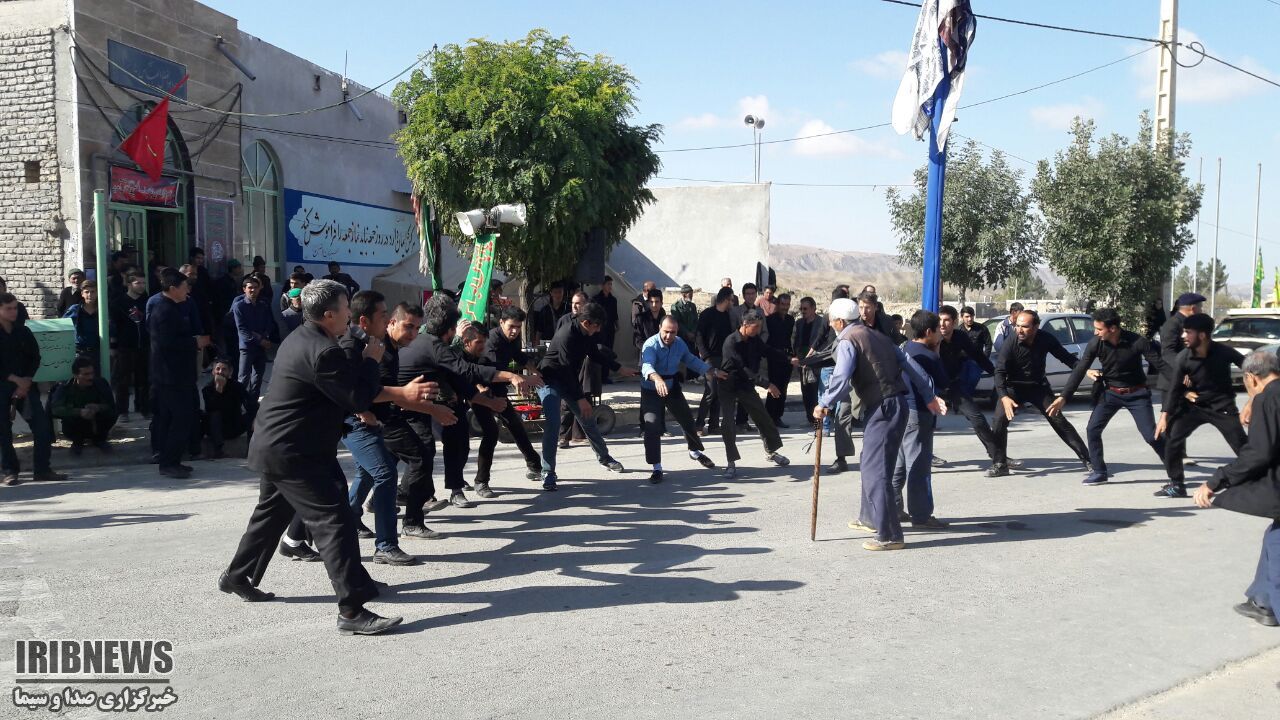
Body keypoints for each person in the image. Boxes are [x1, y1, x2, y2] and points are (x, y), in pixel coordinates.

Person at [220, 279, 437, 635]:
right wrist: (371, 361)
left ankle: (237, 576)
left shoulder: (304, 337)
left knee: (270, 516)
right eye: (345, 307)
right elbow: (356, 398)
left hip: (281, 445)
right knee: (335, 523)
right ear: (328, 314)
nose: (350, 313)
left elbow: (342, 382)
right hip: (293, 452)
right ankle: (351, 610)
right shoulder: (322, 350)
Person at [816, 298, 943, 551]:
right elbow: (911, 366)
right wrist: (929, 396)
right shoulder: (879, 336)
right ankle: (869, 518)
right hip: (894, 405)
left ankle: (890, 534)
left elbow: (841, 377)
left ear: (839, 322)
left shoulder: (847, 340)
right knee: (870, 462)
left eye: (831, 322)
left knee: (877, 471)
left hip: (884, 407)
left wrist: (824, 403)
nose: (830, 326)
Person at [398, 295, 532, 508]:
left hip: (436, 403)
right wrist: (509, 376)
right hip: (407, 405)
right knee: (421, 452)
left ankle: (442, 491)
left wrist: (489, 402)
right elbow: (467, 370)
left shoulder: (434, 343)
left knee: (454, 445)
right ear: (449, 328)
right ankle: (410, 498)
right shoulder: (434, 345)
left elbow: (460, 381)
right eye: (455, 328)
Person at [1192, 350, 1280, 628]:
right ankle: (1263, 602)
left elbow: (1258, 453)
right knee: (1273, 538)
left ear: (1251, 378)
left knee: (1278, 546)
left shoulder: (1268, 399)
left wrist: (1216, 481)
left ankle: (1269, 602)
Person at [338, 290, 425, 566]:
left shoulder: (375, 344)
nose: (387, 320)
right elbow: (350, 389)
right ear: (365, 321)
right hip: (355, 422)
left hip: (370, 419)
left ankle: (302, 536)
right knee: (385, 473)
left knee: (368, 472)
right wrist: (363, 408)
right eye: (384, 315)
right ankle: (386, 545)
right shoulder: (353, 346)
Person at [1050, 308, 1167, 486]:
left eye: (1099, 329)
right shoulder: (1096, 343)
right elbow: (1080, 369)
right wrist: (1064, 397)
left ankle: (1174, 469)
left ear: (1112, 329)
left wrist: (1181, 383)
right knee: (1093, 429)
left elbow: (1161, 365)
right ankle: (1099, 472)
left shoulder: (1137, 341)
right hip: (1110, 393)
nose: (1095, 333)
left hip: (1137, 394)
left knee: (1151, 436)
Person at [536, 301, 637, 489]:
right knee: (554, 423)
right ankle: (547, 471)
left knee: (588, 419)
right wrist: (580, 398)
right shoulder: (567, 334)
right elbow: (566, 370)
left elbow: (595, 354)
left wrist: (619, 368)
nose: (598, 330)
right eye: (597, 326)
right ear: (586, 322)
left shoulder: (586, 333)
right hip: (549, 380)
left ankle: (605, 458)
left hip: (568, 380)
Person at [1153, 313, 1248, 498]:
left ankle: (1261, 479)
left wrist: (1252, 401)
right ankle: (1176, 485)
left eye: (1188, 332)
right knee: (1171, 438)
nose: (1183, 336)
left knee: (1243, 447)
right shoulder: (1183, 357)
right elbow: (1174, 388)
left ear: (1202, 335)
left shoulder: (1224, 352)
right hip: (1194, 407)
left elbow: (1251, 369)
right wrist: (1164, 416)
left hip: (1222, 407)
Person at [988, 310, 1091, 478]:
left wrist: (1085, 370)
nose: (1019, 330)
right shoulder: (1010, 342)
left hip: (1038, 388)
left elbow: (1066, 357)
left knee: (1059, 421)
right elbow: (999, 371)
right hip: (1013, 388)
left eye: (1024, 327)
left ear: (1036, 327)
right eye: (1017, 326)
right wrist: (1004, 397)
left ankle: (1088, 460)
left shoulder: (1046, 338)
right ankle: (1000, 464)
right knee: (998, 420)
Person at [640, 316, 722, 484]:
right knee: (652, 425)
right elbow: (646, 365)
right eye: (666, 332)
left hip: (672, 386)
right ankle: (656, 467)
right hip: (651, 389)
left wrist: (711, 370)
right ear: (659, 328)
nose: (669, 336)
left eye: (673, 332)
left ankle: (695, 451)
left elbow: (690, 360)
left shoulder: (679, 343)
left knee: (687, 420)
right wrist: (657, 379)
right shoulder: (650, 344)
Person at [891, 310, 949, 528]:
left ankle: (894, 509)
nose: (941, 334)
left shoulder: (905, 348)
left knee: (898, 464)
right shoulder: (929, 355)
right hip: (918, 413)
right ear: (928, 332)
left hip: (900, 411)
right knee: (919, 465)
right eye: (938, 330)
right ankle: (921, 515)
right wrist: (938, 352)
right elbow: (943, 382)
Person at [718, 309, 791, 479]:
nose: (758, 330)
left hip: (745, 385)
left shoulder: (754, 339)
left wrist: (788, 359)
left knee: (763, 417)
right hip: (728, 385)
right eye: (756, 327)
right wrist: (767, 384)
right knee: (728, 423)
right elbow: (743, 369)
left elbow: (768, 351)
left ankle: (771, 452)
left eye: (760, 327)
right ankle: (731, 462)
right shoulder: (730, 342)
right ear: (745, 324)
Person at [1, 293, 65, 486]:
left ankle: (43, 469)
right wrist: (14, 380)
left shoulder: (23, 331)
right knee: (3, 431)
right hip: (3, 386)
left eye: (15, 308)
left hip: (26, 387)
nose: (13, 312)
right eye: (8, 309)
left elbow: (34, 357)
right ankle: (10, 471)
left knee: (42, 427)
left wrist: (26, 380)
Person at [933, 305, 1007, 469]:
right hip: (931, 386)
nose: (942, 324)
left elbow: (979, 357)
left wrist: (997, 375)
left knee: (977, 418)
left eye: (946, 320)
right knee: (924, 423)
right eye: (939, 320)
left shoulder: (960, 337)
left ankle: (999, 457)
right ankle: (924, 455)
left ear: (954, 322)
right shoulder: (931, 337)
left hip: (953, 385)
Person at [478, 306, 544, 484]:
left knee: (516, 425)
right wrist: (520, 379)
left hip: (499, 389)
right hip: (480, 391)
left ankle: (535, 466)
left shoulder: (512, 339)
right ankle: (480, 482)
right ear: (501, 323)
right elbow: (493, 372)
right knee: (490, 434)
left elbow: (520, 357)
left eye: (518, 327)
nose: (514, 331)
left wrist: (535, 372)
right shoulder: (492, 340)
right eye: (511, 326)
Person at [148, 268, 200, 479]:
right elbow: (167, 343)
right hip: (170, 376)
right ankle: (168, 462)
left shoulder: (173, 308)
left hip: (175, 374)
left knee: (175, 418)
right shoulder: (164, 311)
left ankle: (173, 460)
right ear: (173, 288)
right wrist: (195, 343)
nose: (187, 290)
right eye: (184, 286)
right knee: (180, 418)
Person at [232, 276, 276, 427]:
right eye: (250, 287)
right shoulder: (239, 306)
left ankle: (252, 407)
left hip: (261, 347)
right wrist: (259, 340)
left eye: (255, 287)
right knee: (243, 378)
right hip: (247, 347)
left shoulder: (263, 304)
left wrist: (266, 337)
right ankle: (237, 406)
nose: (253, 290)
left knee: (257, 378)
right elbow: (242, 329)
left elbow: (269, 323)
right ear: (244, 289)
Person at [51, 356, 118, 454]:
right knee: (69, 419)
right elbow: (55, 409)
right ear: (76, 375)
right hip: (75, 425)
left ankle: (99, 439)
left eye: (92, 373)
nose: (90, 377)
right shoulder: (65, 387)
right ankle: (78, 441)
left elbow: (111, 406)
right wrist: (79, 412)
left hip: (97, 423)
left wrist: (98, 407)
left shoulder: (100, 384)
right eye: (86, 374)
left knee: (111, 414)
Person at [695, 288, 735, 434]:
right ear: (726, 299)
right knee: (710, 391)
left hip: (723, 359)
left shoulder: (727, 316)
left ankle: (714, 425)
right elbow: (699, 336)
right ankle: (698, 425)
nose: (733, 303)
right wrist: (705, 357)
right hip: (709, 359)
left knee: (719, 392)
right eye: (731, 300)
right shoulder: (707, 314)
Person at [110, 272, 150, 420]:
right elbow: (114, 326)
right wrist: (113, 346)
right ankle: (122, 411)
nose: (141, 286)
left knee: (144, 379)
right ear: (129, 284)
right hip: (125, 346)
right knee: (123, 380)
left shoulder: (147, 301)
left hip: (144, 345)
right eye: (138, 283)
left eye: (143, 283)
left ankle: (145, 408)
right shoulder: (119, 303)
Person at [1159, 292, 1206, 391]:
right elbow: (1168, 353)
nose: (1201, 311)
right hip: (1175, 382)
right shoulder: (1172, 324)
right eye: (1200, 307)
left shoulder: (1191, 324)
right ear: (1193, 309)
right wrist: (1184, 370)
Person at [202, 358, 248, 459]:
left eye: (224, 369)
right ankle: (218, 451)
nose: (220, 372)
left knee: (254, 415)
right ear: (213, 372)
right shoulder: (207, 388)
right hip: (215, 428)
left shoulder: (237, 386)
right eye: (218, 369)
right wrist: (218, 390)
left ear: (230, 372)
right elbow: (210, 408)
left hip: (233, 425)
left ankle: (252, 450)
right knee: (213, 414)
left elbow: (249, 403)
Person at [764, 293, 794, 427]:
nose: (785, 307)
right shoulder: (770, 320)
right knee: (774, 387)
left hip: (787, 358)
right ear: (777, 304)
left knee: (783, 388)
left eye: (787, 305)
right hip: (774, 357)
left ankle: (777, 416)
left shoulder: (790, 320)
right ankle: (769, 416)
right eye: (783, 304)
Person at [63, 280, 101, 358]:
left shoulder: (102, 310)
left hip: (99, 351)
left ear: (97, 293)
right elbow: (63, 327)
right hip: (80, 352)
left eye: (93, 292)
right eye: (87, 292)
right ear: (82, 294)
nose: (90, 294)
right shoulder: (75, 309)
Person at [591, 276, 620, 358]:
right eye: (608, 284)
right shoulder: (595, 299)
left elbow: (615, 314)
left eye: (611, 284)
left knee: (609, 350)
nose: (610, 286)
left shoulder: (613, 300)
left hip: (610, 329)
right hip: (599, 329)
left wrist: (617, 325)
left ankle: (607, 366)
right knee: (599, 349)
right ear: (602, 285)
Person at [632, 287, 666, 354]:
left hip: (662, 352)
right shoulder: (641, 318)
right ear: (648, 303)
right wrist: (648, 348)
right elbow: (637, 340)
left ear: (661, 303)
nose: (654, 305)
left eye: (657, 302)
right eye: (651, 302)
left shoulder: (665, 320)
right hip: (646, 351)